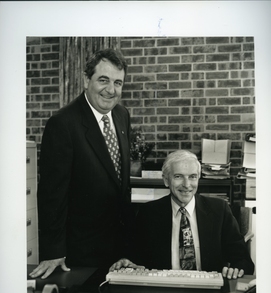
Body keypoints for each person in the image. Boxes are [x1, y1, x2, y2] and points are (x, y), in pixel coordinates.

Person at [30, 48, 133, 279]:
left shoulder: (122, 115)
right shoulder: (63, 124)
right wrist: (54, 251)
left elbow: (119, 184)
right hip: (80, 254)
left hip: (118, 252)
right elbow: (51, 196)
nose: (111, 90)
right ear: (87, 80)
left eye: (118, 83)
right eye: (103, 80)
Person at [110, 150, 254, 279]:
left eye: (192, 177)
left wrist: (237, 269)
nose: (186, 184)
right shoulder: (148, 213)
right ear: (166, 180)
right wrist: (127, 261)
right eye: (178, 176)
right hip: (164, 291)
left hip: (207, 290)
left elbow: (243, 260)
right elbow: (134, 257)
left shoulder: (219, 210)